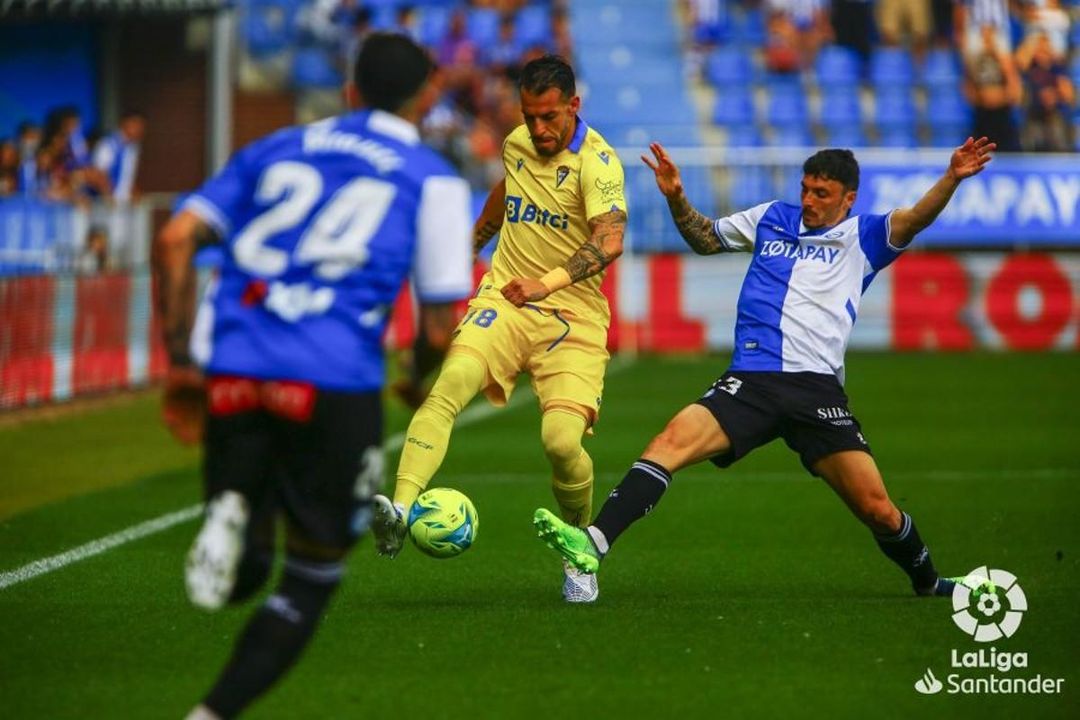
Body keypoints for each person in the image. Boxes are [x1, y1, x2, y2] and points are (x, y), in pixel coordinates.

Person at [153, 33, 473, 719]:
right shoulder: (432, 176)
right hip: (333, 375)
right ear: (429, 94)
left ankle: (238, 504)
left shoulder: (274, 148)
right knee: (311, 574)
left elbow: (176, 238)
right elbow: (441, 326)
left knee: (242, 575)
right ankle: (210, 715)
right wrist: (418, 378)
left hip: (235, 367)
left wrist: (180, 360)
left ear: (351, 90)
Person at [534, 137, 996, 599]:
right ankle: (591, 544)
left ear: (848, 198)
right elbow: (705, 238)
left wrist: (952, 177)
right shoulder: (772, 217)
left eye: (822, 193)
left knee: (878, 510)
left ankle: (930, 582)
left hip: (816, 391)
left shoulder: (864, 237)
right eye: (806, 189)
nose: (809, 200)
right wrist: (676, 197)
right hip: (751, 380)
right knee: (668, 443)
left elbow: (916, 218)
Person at [371, 54, 628, 604]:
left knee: (560, 444)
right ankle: (399, 507)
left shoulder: (599, 164)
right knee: (453, 378)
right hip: (506, 299)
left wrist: (549, 282)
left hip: (573, 317)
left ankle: (579, 552)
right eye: (529, 116)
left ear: (574, 107)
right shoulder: (517, 145)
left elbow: (609, 239)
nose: (537, 129)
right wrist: (464, 248)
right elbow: (507, 195)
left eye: (549, 117)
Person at [92, 110, 146, 202]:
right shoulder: (108, 145)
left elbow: (126, 177)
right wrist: (108, 196)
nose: (139, 130)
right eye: (136, 125)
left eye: (142, 127)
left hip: (123, 204)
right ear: (125, 123)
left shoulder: (133, 149)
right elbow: (98, 174)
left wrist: (135, 193)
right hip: (105, 203)